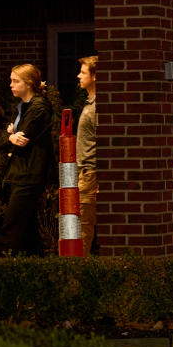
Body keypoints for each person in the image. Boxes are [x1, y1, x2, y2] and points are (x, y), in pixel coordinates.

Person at [0, 63, 54, 256]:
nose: (11, 85)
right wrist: (10, 136)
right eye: (11, 81)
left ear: (29, 83)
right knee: (28, 228)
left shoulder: (39, 108)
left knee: (12, 225)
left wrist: (12, 136)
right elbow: (11, 137)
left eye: (16, 81)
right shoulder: (23, 107)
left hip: (29, 174)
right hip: (21, 172)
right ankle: (36, 266)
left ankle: (7, 267)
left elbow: (22, 139)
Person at [76, 55, 98, 256]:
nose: (78, 76)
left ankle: (79, 272)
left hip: (91, 174)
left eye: (83, 72)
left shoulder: (97, 107)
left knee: (82, 227)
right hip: (85, 172)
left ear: (95, 76)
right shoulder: (89, 103)